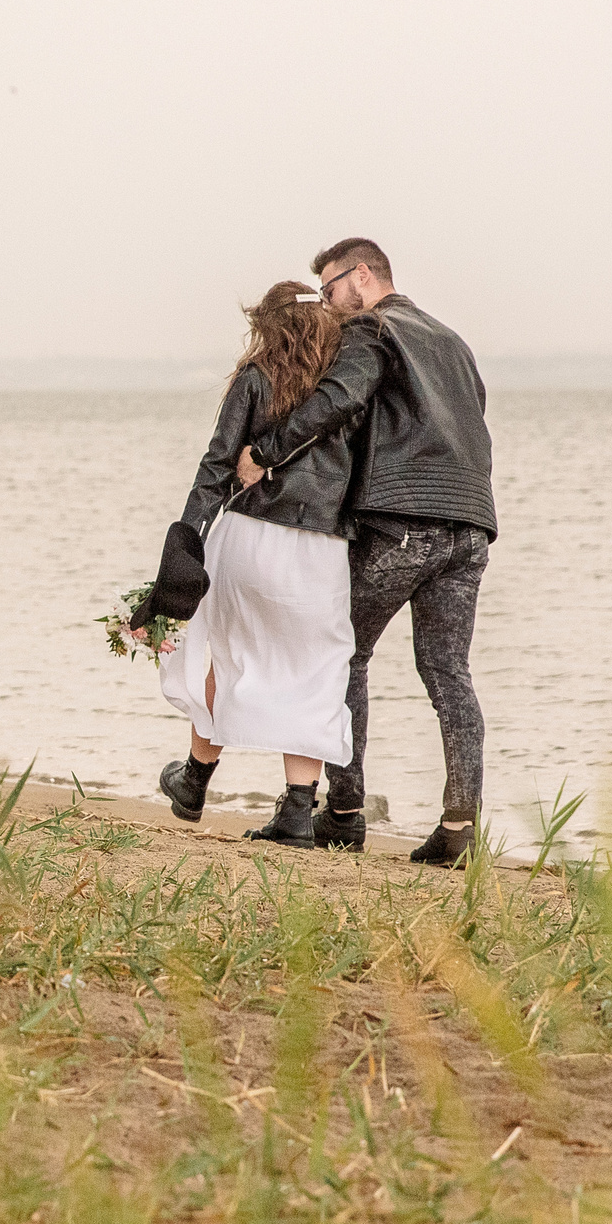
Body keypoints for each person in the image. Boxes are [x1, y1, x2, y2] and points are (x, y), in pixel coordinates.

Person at [236, 237, 496, 867]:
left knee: (340, 655)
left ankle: (345, 813)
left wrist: (265, 453)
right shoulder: (452, 341)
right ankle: (459, 829)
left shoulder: (372, 329)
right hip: (471, 524)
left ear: (360, 276)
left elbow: (338, 400)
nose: (326, 304)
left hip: (402, 522)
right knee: (449, 673)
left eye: (328, 289)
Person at [131, 281, 368, 847]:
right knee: (316, 673)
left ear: (268, 326)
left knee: (230, 655)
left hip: (250, 537)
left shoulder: (257, 378)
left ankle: (194, 781)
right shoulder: (346, 389)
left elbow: (217, 464)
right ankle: (298, 810)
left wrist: (186, 539)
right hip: (321, 548)